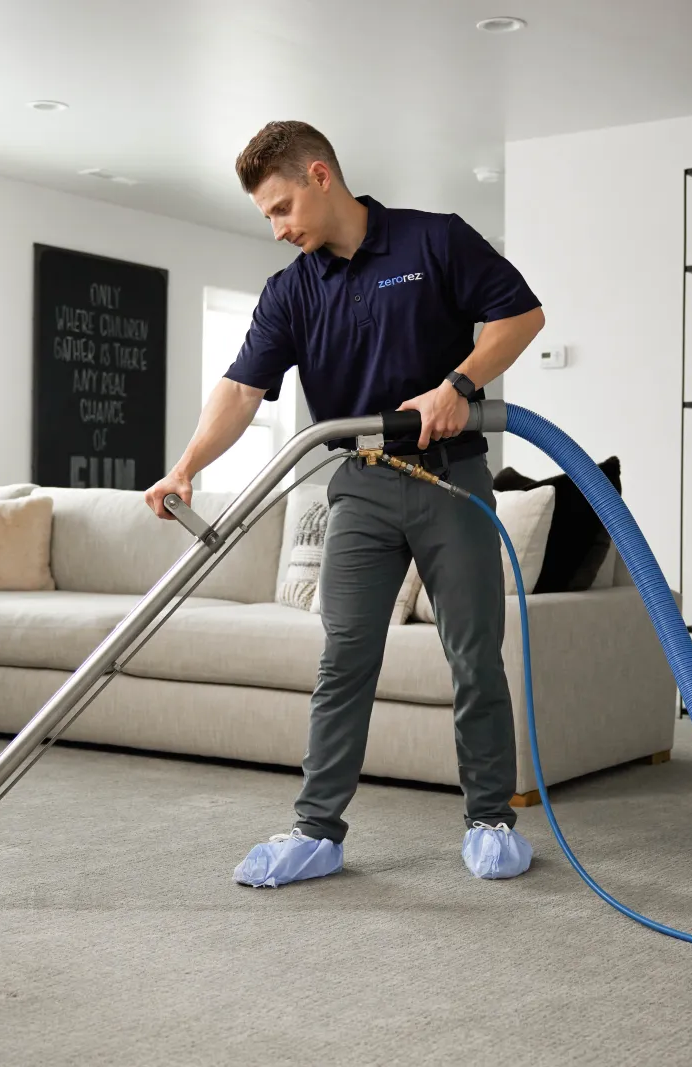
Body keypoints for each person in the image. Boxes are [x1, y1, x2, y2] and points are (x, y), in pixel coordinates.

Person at [143, 120, 546, 886]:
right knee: (344, 659)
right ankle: (317, 831)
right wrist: (186, 465)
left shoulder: (433, 242)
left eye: (282, 206)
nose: (277, 228)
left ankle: (490, 815)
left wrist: (458, 384)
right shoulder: (292, 289)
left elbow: (520, 316)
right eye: (267, 215)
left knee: (472, 655)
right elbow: (240, 388)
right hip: (358, 485)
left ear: (321, 176)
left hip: (451, 475)